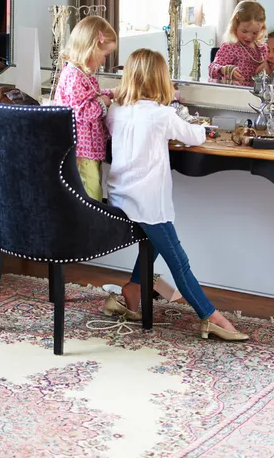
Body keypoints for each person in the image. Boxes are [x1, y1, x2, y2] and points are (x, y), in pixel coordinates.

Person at [104, 48, 249, 341]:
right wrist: (203, 127)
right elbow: (194, 136)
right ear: (161, 80)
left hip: (120, 198)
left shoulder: (116, 111)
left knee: (155, 241)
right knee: (178, 260)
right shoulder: (162, 114)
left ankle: (133, 289)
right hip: (147, 204)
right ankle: (210, 316)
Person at [53, 16, 117, 201]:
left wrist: (109, 93)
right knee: (91, 197)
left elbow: (89, 96)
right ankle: (90, 229)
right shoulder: (74, 77)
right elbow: (81, 112)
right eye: (104, 55)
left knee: (93, 189)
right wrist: (103, 103)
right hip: (82, 152)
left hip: (90, 150)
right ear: (91, 49)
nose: (104, 61)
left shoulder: (80, 75)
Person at [208, 0, 268, 87]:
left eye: (255, 33)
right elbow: (211, 69)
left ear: (262, 29)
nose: (249, 37)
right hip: (236, 94)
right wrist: (224, 69)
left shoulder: (263, 48)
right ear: (235, 26)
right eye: (244, 31)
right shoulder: (230, 47)